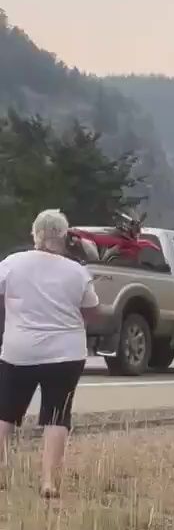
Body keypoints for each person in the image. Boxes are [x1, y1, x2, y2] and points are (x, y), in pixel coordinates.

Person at [0, 209, 100, 498]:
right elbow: (92, 312)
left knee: (5, 411)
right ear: (64, 237)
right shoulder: (77, 271)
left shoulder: (12, 263)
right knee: (57, 415)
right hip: (65, 354)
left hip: (19, 351)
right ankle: (48, 481)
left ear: (35, 234)